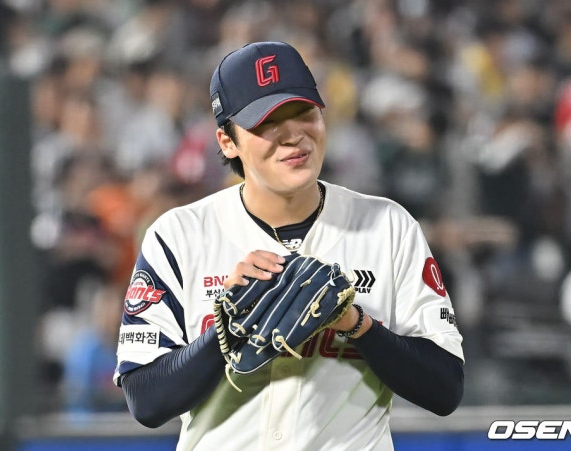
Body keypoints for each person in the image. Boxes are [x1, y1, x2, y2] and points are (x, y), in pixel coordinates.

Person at [114, 41, 464, 450]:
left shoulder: (388, 226)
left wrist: (356, 324)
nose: (294, 135)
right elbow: (146, 401)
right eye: (267, 122)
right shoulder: (180, 235)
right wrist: (226, 331)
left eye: (304, 112)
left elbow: (444, 389)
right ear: (227, 141)